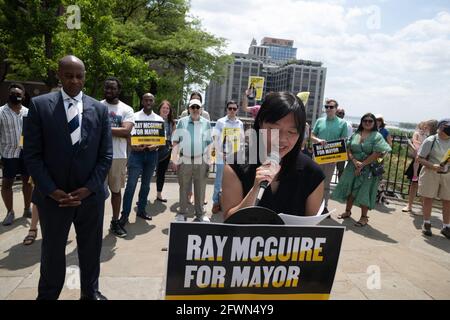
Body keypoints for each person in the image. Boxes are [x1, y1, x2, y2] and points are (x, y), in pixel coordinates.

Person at [23, 55, 113, 300]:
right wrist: (51, 190)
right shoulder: (40, 106)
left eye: (79, 76)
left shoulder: (100, 109)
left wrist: (89, 188)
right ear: (59, 75)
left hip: (90, 198)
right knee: (52, 252)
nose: (74, 80)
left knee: (91, 250)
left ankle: (90, 292)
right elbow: (32, 155)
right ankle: (48, 295)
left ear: (85, 77)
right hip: (54, 199)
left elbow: (105, 155)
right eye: (69, 75)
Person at [222, 92, 324, 219]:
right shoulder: (235, 165)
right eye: (273, 129)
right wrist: (255, 190)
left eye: (292, 132)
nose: (281, 139)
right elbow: (229, 220)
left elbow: (312, 229)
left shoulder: (313, 173)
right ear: (260, 123)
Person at [331, 113, 392, 227]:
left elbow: (377, 153)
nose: (367, 123)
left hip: (368, 168)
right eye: (365, 121)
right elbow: (348, 148)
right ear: (361, 122)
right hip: (352, 166)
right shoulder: (356, 134)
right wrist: (354, 161)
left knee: (364, 191)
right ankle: (347, 211)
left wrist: (362, 164)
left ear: (374, 123)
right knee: (350, 188)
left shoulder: (377, 136)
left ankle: (364, 217)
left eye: (370, 121)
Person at [119, 93, 162, 227]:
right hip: (136, 155)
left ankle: (141, 210)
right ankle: (124, 214)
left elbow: (161, 140)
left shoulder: (159, 119)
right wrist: (132, 145)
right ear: (142, 101)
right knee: (131, 185)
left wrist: (155, 145)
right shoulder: (134, 116)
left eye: (151, 100)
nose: (148, 102)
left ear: (153, 102)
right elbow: (128, 134)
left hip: (151, 155)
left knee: (146, 185)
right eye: (146, 100)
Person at [101, 77, 135, 238]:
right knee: (96, 192)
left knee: (116, 191)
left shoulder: (126, 109)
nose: (109, 91)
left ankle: (115, 222)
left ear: (118, 90)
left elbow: (126, 131)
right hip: (98, 156)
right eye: (107, 88)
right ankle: (93, 223)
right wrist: (118, 129)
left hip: (118, 156)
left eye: (113, 88)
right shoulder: (97, 106)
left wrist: (102, 127)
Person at [172, 99, 212, 222]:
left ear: (201, 109)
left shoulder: (206, 123)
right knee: (183, 187)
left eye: (197, 107)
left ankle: (200, 214)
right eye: (192, 107)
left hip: (201, 158)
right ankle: (182, 213)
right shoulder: (182, 122)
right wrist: (174, 159)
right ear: (189, 109)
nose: (195, 109)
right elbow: (175, 141)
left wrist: (210, 159)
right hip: (185, 159)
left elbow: (210, 143)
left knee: (201, 188)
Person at [0, 83, 33, 226]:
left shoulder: (28, 112)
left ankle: (27, 209)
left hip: (25, 153)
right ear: (9, 95)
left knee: (27, 182)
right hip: (8, 153)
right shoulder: (1, 112)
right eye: (13, 93)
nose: (16, 96)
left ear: (23, 96)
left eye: (19, 94)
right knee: (7, 183)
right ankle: (10, 212)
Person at [311, 99, 348, 214]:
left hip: (331, 157)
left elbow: (344, 139)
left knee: (326, 184)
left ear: (336, 109)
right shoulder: (319, 121)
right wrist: (318, 140)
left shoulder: (342, 123)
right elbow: (312, 135)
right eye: (326, 107)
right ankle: (312, 205)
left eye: (331, 107)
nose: (328, 109)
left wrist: (333, 147)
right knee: (313, 181)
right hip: (317, 155)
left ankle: (324, 206)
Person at [417, 119, 450, 239]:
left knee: (448, 200)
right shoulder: (431, 140)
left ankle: (446, 226)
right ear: (439, 127)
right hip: (431, 172)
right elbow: (419, 158)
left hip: (447, 174)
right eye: (444, 128)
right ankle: (426, 223)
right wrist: (432, 166)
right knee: (428, 198)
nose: (445, 131)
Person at [211, 100, 244, 214]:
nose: (232, 111)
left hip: (235, 156)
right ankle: (215, 203)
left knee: (233, 181)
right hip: (222, 156)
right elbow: (215, 138)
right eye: (230, 108)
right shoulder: (220, 122)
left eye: (234, 109)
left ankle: (229, 203)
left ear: (237, 110)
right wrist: (220, 152)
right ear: (226, 109)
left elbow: (241, 139)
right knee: (219, 181)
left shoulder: (240, 123)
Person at [403, 119, 439, 213]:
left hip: (428, 163)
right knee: (414, 184)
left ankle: (423, 208)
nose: (425, 128)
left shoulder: (435, 138)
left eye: (426, 126)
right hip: (419, 161)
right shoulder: (424, 135)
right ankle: (410, 205)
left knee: (425, 187)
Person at [180, 92, 210, 205]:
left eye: (198, 105)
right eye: (193, 104)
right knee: (187, 179)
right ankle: (189, 195)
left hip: (201, 154)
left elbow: (207, 133)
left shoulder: (205, 115)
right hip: (187, 154)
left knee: (201, 179)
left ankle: (201, 198)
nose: (195, 108)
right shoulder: (184, 114)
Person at [156, 100, 176, 202]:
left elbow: (174, 137)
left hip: (166, 149)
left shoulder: (171, 122)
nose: (165, 110)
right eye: (163, 108)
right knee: (148, 173)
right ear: (160, 109)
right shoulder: (154, 119)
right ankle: (143, 196)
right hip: (153, 148)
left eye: (167, 108)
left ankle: (159, 194)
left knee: (161, 172)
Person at [336, 107, 353, 179]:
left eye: (343, 113)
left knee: (340, 169)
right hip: (330, 149)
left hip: (342, 149)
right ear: (336, 113)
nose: (341, 115)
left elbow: (349, 138)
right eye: (340, 113)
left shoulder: (347, 125)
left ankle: (340, 187)